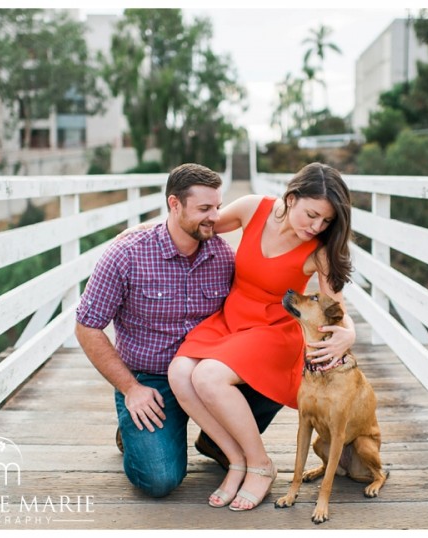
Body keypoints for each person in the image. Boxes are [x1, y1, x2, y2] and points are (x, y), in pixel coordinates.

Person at [74, 163, 282, 498]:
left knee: (278, 371)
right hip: (151, 380)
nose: (215, 217)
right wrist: (131, 388)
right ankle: (133, 431)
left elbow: (255, 301)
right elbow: (87, 327)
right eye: (204, 209)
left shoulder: (223, 256)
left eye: (217, 207)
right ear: (175, 204)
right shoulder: (126, 254)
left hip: (208, 374)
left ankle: (215, 441)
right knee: (159, 479)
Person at [169, 162, 356, 511]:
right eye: (312, 214)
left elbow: (337, 308)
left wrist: (350, 334)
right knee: (180, 373)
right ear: (292, 197)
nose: (316, 227)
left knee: (208, 376)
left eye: (327, 221)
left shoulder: (318, 250)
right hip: (232, 317)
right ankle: (236, 459)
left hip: (275, 330)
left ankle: (260, 465)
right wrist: (137, 233)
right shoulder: (254, 207)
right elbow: (197, 224)